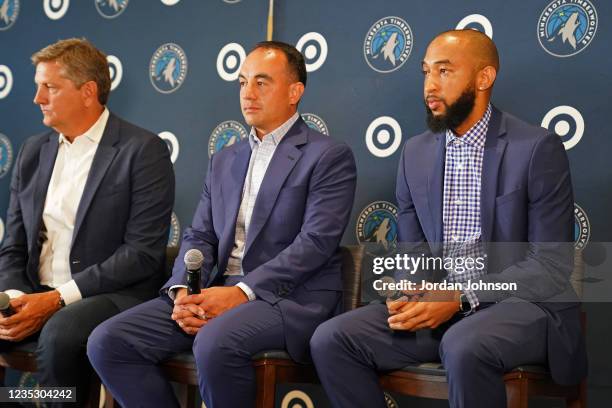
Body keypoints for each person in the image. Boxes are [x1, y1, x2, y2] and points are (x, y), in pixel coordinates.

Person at [310, 29, 587, 408]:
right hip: (443, 309)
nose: (430, 85)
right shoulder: (415, 154)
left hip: (522, 308)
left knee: (464, 343)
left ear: (484, 78)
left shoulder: (536, 148)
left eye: (444, 71)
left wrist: (461, 297)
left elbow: (550, 266)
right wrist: (410, 292)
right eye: (426, 72)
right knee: (332, 339)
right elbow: (415, 254)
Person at [87, 41, 357, 408]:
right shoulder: (224, 159)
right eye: (243, 82)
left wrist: (242, 292)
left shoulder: (327, 155)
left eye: (262, 82)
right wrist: (183, 290)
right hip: (216, 292)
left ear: (295, 92)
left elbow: (315, 242)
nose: (248, 93)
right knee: (108, 341)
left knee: (215, 339)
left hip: (289, 299)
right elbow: (199, 235)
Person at [0, 38, 175, 405]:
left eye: (49, 87)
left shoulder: (143, 151)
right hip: (36, 289)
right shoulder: (33, 152)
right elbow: (14, 246)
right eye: (37, 86)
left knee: (62, 334)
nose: (37, 98)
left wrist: (56, 299)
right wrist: (14, 299)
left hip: (111, 295)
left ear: (88, 91)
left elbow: (141, 254)